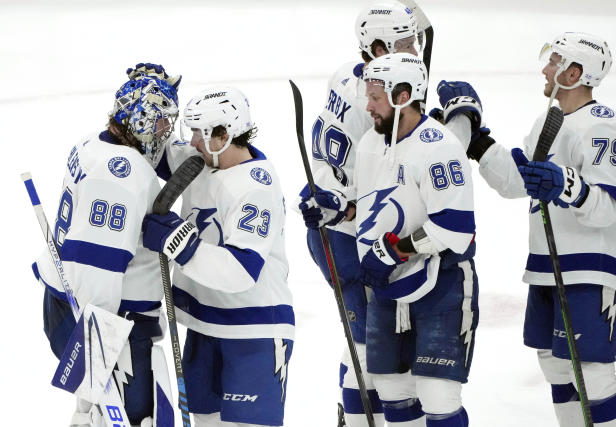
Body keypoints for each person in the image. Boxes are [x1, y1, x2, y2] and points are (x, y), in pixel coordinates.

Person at [458, 32, 616, 426]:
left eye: (554, 62)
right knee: (556, 366)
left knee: (593, 373)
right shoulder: (548, 121)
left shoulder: (604, 127)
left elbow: (609, 207)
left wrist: (567, 184)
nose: (545, 69)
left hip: (592, 264)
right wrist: (478, 142)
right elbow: (517, 183)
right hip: (547, 262)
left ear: (575, 72)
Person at [297, 1, 433, 425]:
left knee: (366, 340)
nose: (415, 48)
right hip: (348, 230)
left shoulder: (351, 76)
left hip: (338, 224)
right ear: (377, 48)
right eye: (406, 42)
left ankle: (350, 413)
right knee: (368, 346)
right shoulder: (373, 103)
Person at [31, 63, 181, 426]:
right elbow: (95, 267)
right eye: (160, 122)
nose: (166, 131)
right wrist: (99, 352)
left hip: (67, 303)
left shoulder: (94, 141)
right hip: (109, 320)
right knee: (134, 418)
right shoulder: (122, 173)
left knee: (94, 411)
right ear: (139, 119)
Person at [142, 86, 293, 427]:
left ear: (223, 136)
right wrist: (152, 101)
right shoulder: (205, 160)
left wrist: (176, 241)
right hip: (205, 324)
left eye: (199, 133)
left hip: (254, 330)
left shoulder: (255, 187)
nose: (192, 141)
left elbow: (241, 270)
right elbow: (158, 151)